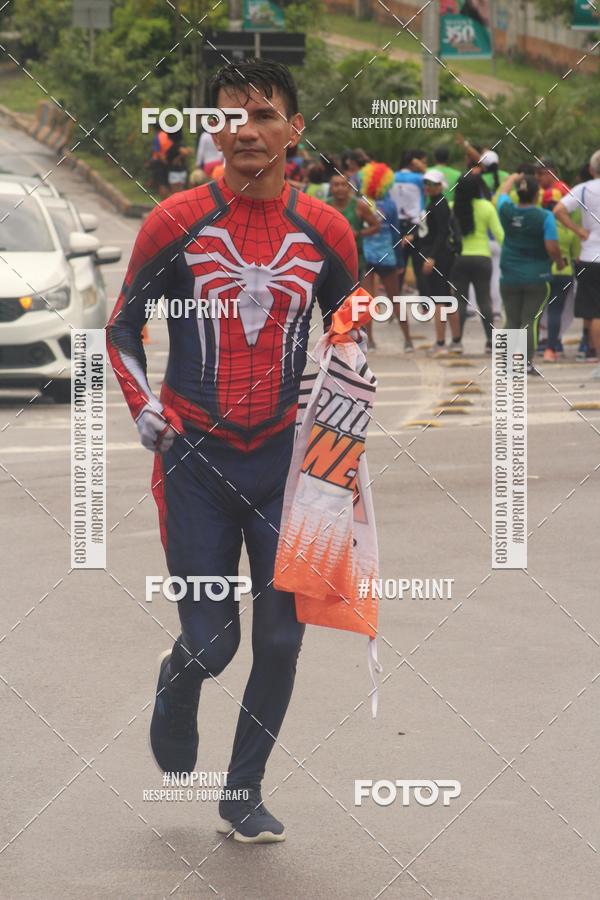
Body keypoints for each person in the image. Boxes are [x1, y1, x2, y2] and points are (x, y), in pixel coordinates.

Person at [106, 58, 360, 843]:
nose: (245, 130)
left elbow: (348, 329)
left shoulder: (326, 230)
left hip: (289, 465)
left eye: (263, 115)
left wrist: (343, 381)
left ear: (294, 129)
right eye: (229, 116)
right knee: (215, 641)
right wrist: (145, 408)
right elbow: (120, 330)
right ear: (213, 128)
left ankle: (241, 791)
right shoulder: (174, 221)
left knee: (282, 639)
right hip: (194, 462)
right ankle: (178, 682)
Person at [497, 173, 563, 373]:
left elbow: (502, 194)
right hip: (537, 276)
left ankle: (506, 363)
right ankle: (525, 363)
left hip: (508, 275)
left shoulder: (506, 211)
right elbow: (551, 246)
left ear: (519, 194)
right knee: (529, 321)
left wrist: (513, 178)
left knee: (511, 319)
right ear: (536, 196)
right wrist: (559, 262)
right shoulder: (545, 217)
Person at [554, 149, 600, 378]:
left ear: (591, 169)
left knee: (595, 313)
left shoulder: (582, 189)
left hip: (590, 256)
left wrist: (578, 230)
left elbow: (558, 210)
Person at [407, 168, 462, 355]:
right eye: (426, 184)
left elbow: (441, 233)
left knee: (439, 299)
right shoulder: (433, 204)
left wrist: (432, 256)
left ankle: (440, 343)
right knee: (446, 298)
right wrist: (413, 236)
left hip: (439, 256)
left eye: (432, 184)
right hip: (437, 253)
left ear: (440, 186)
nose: (428, 187)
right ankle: (455, 341)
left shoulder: (440, 205)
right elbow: (427, 229)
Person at [359, 161, 413, 352]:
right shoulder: (390, 205)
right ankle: (408, 340)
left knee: (367, 300)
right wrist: (400, 260)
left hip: (366, 256)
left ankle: (370, 341)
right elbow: (396, 233)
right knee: (395, 298)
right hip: (387, 255)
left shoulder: (362, 203)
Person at [451, 171, 504, 353]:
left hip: (459, 259)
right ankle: (490, 341)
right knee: (484, 300)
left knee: (459, 301)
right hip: (482, 258)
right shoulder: (486, 207)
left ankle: (457, 341)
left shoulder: (452, 207)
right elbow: (500, 235)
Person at [540, 188, 580, 361]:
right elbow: (576, 257)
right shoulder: (570, 230)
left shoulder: (541, 225)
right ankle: (552, 348)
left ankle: (533, 345)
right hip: (564, 273)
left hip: (542, 272)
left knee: (537, 311)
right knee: (556, 311)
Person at [327, 172, 380, 290]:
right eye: (336, 185)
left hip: (356, 260)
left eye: (343, 184)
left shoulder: (359, 205)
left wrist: (358, 233)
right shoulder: (324, 205)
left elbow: (376, 226)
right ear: (331, 187)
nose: (340, 188)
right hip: (331, 259)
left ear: (349, 187)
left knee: (355, 298)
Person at [390, 149, 427, 294]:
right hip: (416, 225)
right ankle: (425, 306)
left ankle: (394, 306)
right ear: (414, 162)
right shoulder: (420, 179)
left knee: (398, 266)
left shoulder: (391, 177)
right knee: (419, 267)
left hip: (396, 224)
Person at [165, 128, 192, 194]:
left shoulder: (176, 146)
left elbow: (184, 152)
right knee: (180, 192)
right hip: (182, 171)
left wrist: (179, 157)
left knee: (176, 194)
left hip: (175, 172)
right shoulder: (181, 144)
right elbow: (189, 151)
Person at [149, 125, 173, 200]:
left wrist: (163, 160)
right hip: (168, 161)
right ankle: (168, 201)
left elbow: (157, 151)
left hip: (159, 162)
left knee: (161, 183)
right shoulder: (168, 135)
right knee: (167, 183)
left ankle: (163, 202)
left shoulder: (158, 136)